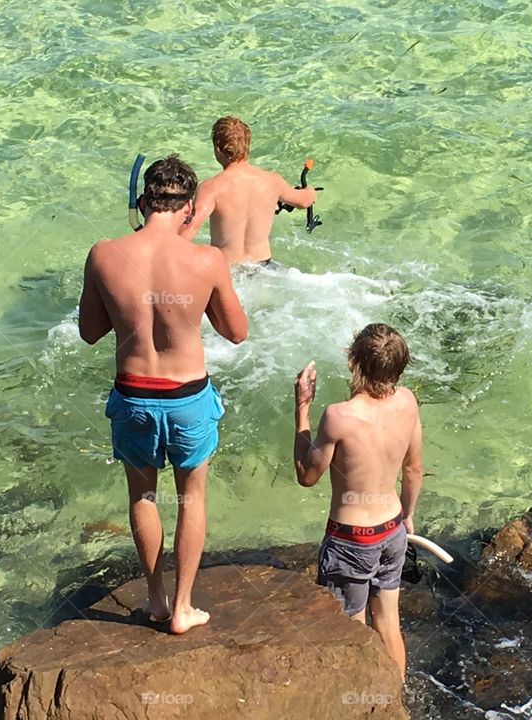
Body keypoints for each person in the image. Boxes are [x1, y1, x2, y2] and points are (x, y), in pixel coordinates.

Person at [79, 154, 247, 634]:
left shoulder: (104, 254)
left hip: (133, 395)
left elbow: (90, 332)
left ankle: (155, 600)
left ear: (141, 202)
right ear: (189, 208)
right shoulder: (206, 260)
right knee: (191, 499)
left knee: (143, 496)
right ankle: (183, 608)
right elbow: (236, 332)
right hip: (188, 397)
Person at [292, 323, 424, 679]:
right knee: (389, 623)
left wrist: (302, 408)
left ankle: (361, 700)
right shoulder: (408, 402)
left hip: (352, 539)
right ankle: (394, 696)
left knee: (349, 630)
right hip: (393, 530)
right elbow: (413, 469)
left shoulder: (339, 416)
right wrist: (408, 517)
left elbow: (306, 474)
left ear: (354, 362)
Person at [180, 116, 317, 265]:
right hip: (264, 267)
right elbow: (304, 201)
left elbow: (190, 228)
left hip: (227, 270)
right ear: (246, 147)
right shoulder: (272, 181)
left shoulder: (211, 187)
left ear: (217, 149)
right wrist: (310, 191)